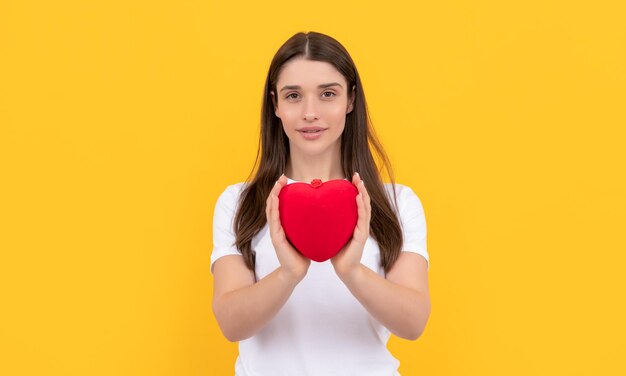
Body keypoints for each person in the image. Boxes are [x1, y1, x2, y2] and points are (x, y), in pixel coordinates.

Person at [210, 31, 431, 375]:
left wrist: (352, 271)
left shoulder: (396, 203)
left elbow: (414, 322)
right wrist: (288, 273)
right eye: (293, 95)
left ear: (350, 100)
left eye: (328, 94)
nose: (310, 112)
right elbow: (231, 324)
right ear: (276, 105)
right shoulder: (240, 203)